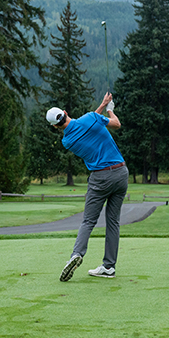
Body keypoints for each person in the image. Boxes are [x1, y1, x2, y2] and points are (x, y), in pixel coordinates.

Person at [46, 92, 128, 282]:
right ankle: (109, 267)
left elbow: (86, 124)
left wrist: (101, 106)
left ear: (54, 126)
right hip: (121, 173)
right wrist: (109, 110)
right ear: (65, 112)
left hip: (100, 179)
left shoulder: (67, 141)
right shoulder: (91, 118)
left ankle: (77, 253)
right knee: (113, 222)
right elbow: (115, 124)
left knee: (88, 221)